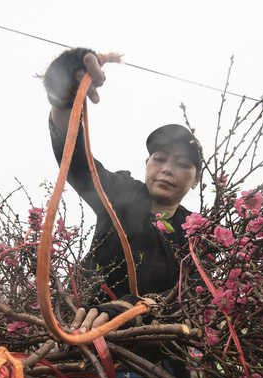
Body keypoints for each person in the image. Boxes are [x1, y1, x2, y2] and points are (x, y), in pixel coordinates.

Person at [43, 48, 205, 336]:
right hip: (82, 342)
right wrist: (64, 97)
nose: (167, 169)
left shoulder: (198, 232)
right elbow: (78, 162)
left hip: (160, 362)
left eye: (182, 164)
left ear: (196, 181)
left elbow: (192, 296)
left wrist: (133, 306)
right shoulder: (121, 194)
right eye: (159, 158)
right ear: (147, 165)